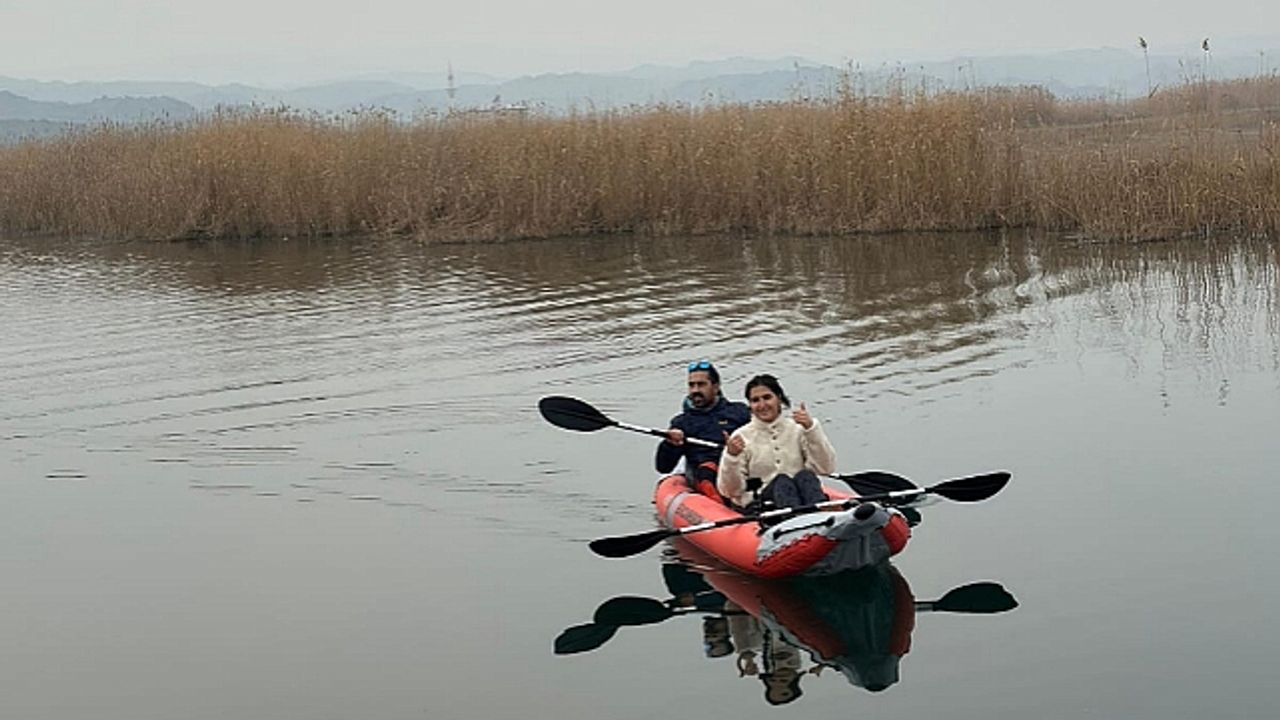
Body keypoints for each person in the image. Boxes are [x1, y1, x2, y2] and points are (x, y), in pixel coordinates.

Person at [717, 374, 836, 511]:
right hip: (762, 504)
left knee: (806, 476)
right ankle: (797, 522)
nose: (762, 405)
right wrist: (732, 457)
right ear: (750, 405)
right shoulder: (740, 437)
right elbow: (729, 491)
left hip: (800, 497)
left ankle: (818, 518)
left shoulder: (798, 429)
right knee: (782, 481)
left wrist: (811, 429)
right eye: (755, 400)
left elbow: (826, 469)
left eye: (767, 398)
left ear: (779, 398)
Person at [655, 360, 751, 500]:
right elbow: (663, 467)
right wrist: (670, 444)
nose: (695, 390)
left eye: (701, 385)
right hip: (705, 474)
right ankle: (722, 508)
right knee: (707, 470)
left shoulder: (738, 412)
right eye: (691, 385)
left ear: (716, 387)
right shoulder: (682, 423)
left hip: (738, 468)